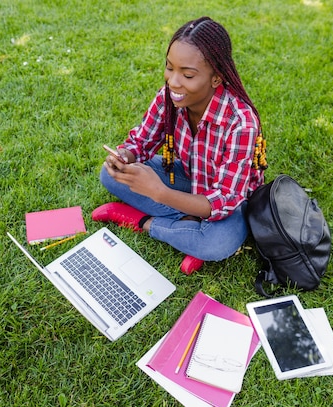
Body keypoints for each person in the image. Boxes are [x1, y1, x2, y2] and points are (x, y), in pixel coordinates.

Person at [92, 16, 267, 275]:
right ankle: (188, 229)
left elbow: (227, 199)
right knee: (110, 175)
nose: (173, 81)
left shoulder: (240, 123)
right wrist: (125, 157)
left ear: (216, 78)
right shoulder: (169, 98)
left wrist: (159, 193)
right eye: (169, 67)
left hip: (227, 199)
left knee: (218, 243)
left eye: (187, 74)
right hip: (185, 175)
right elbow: (141, 140)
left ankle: (145, 222)